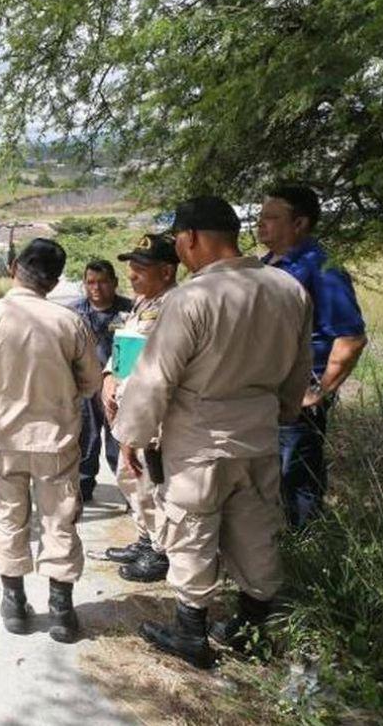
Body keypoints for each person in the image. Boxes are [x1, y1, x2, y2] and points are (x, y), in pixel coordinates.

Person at [114, 197, 313, 668]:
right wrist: (281, 412)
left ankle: (190, 634)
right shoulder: (288, 289)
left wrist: (132, 437)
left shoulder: (191, 298)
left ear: (192, 238)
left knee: (191, 530)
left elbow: (155, 378)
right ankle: (250, 630)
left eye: (180, 241)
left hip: (199, 442)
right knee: (256, 530)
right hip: (260, 436)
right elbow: (299, 369)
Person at [0, 239, 102, 643]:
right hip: (56, 444)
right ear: (54, 281)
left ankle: (14, 606)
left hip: (1, 444)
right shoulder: (70, 322)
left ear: (14, 266)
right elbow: (91, 382)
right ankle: (61, 612)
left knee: (7, 521)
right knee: (60, 522)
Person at [257, 184, 367, 528]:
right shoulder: (262, 266)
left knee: (296, 479)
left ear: (300, 223)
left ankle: (304, 551)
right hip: (263, 393)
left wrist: (318, 391)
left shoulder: (321, 267)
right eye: (260, 217)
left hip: (299, 393)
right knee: (267, 477)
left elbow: (350, 337)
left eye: (272, 218)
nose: (261, 224)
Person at [100, 233, 180, 583]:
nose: (131, 274)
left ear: (166, 271)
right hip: (127, 406)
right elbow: (126, 350)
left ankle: (161, 551)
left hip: (151, 414)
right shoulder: (143, 302)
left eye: (140, 269)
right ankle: (146, 537)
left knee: (149, 480)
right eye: (130, 267)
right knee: (130, 478)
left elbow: (156, 368)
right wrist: (108, 378)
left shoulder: (173, 306)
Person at [67, 260, 132, 501]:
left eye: (103, 281)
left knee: (120, 440)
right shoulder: (72, 313)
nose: (96, 287)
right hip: (84, 388)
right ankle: (83, 491)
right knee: (86, 440)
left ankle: (130, 495)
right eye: (91, 282)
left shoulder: (130, 310)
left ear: (114, 283)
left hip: (119, 388)